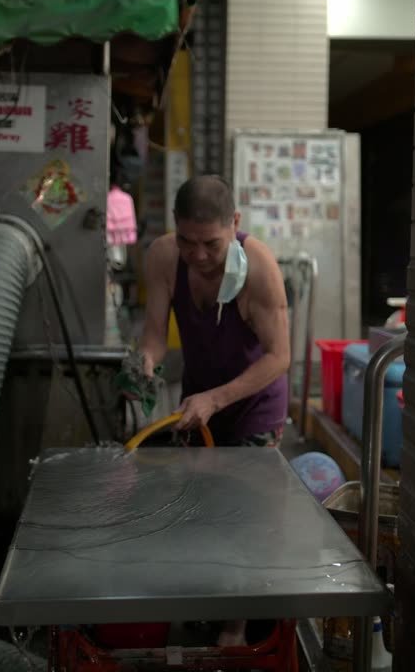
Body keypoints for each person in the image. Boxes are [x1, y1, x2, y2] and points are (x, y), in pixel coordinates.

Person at [136, 174, 291, 646]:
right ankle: (205, 602)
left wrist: (217, 398)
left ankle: (236, 629)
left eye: (211, 243)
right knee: (200, 508)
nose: (197, 255)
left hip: (253, 407)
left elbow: (279, 356)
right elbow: (156, 338)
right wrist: (142, 365)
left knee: (243, 516)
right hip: (198, 403)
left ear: (235, 224)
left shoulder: (259, 268)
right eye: (186, 240)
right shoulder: (164, 257)